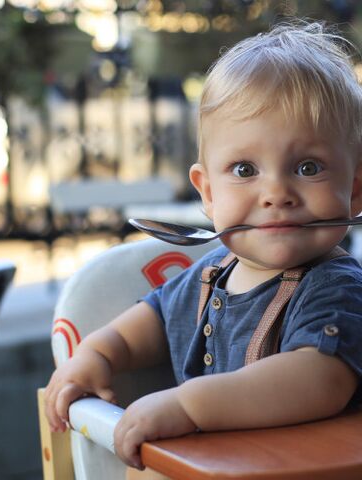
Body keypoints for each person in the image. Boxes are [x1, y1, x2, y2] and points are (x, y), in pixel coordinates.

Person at [45, 20, 362, 474]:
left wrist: (188, 406)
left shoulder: (336, 289)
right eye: (245, 170)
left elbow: (317, 380)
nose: (276, 193)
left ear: (354, 192)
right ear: (208, 193)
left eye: (308, 167)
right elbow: (148, 323)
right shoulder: (211, 274)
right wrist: (96, 356)